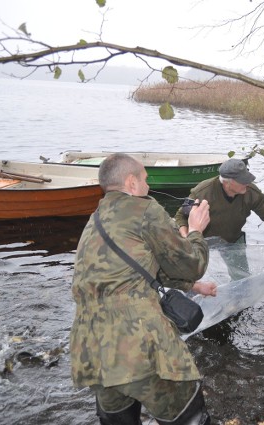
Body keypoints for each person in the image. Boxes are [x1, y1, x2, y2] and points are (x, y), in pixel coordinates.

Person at [69, 153, 217, 425]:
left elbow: (135, 270)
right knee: (189, 418)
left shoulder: (95, 220)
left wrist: (192, 287)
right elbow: (191, 263)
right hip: (139, 341)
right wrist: (195, 230)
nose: (148, 187)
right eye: (145, 180)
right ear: (131, 182)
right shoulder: (145, 209)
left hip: (93, 351)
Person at [174, 158, 264, 280]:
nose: (247, 183)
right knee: (191, 276)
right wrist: (187, 239)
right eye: (242, 180)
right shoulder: (202, 192)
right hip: (202, 240)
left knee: (242, 277)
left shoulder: (250, 192)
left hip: (232, 239)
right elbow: (181, 216)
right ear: (227, 182)